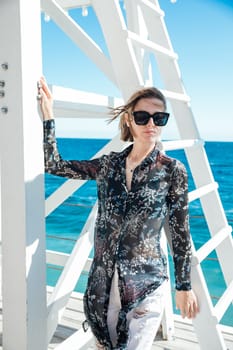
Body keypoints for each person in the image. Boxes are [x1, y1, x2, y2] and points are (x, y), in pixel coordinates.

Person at [38, 76, 199, 350]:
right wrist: (49, 116)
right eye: (143, 116)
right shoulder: (108, 165)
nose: (151, 124)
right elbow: (54, 165)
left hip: (144, 288)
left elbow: (181, 231)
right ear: (128, 119)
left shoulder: (173, 170)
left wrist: (183, 286)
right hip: (102, 288)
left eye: (159, 118)